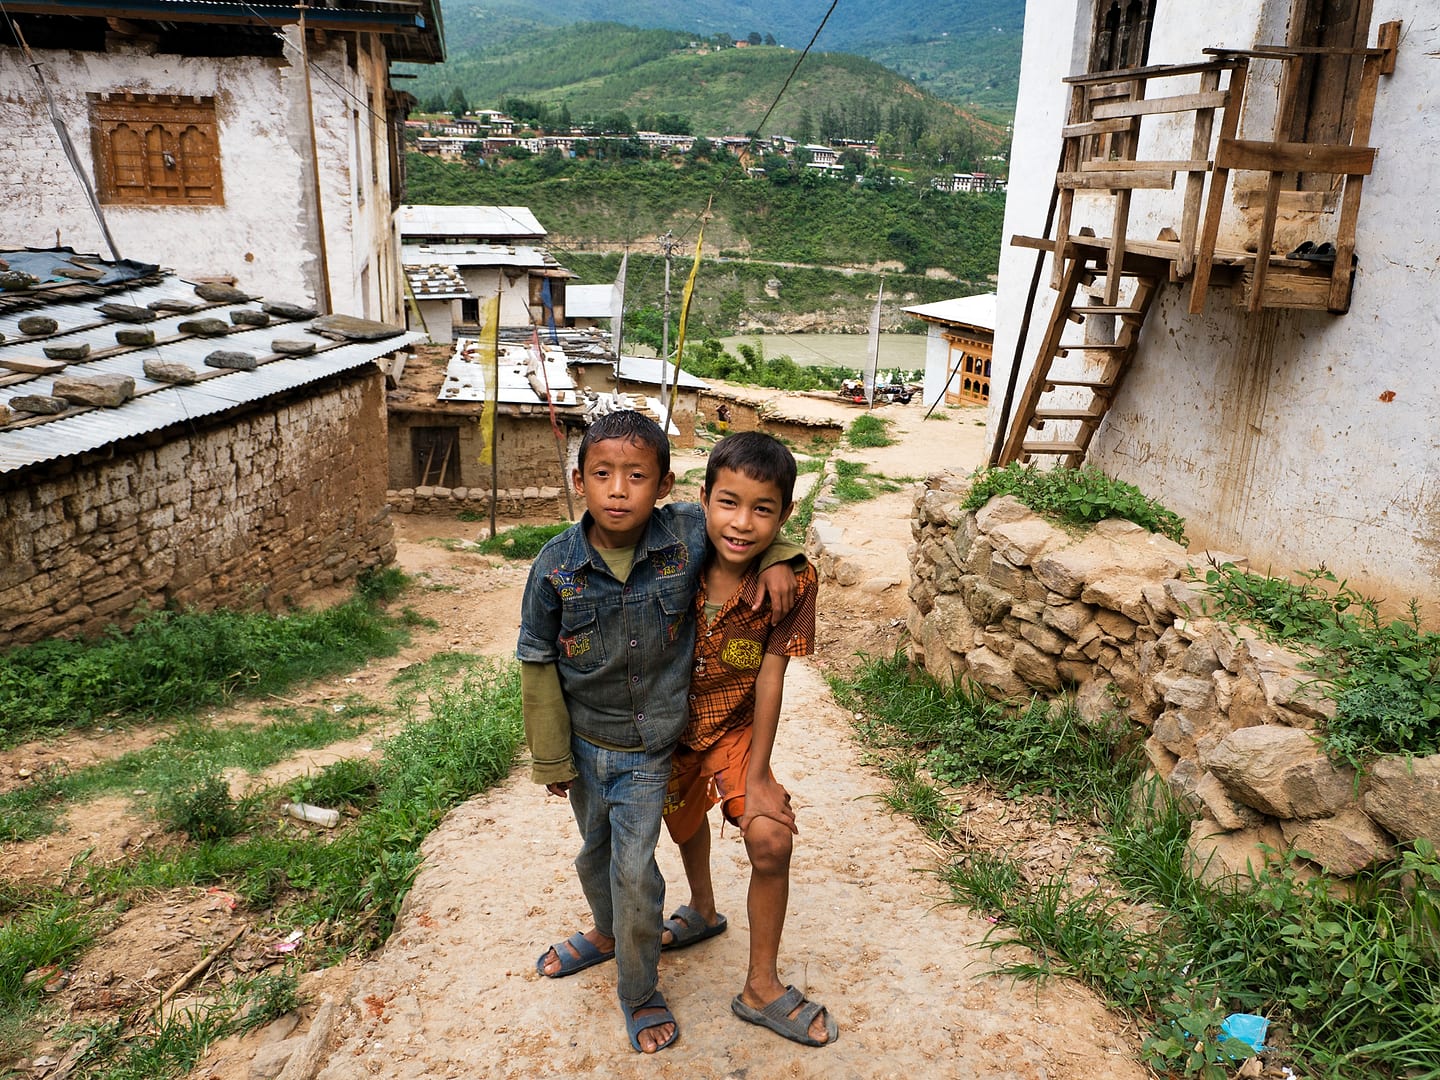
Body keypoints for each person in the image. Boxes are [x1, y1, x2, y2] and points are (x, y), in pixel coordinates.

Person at [517, 411, 803, 1055]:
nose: (619, 490)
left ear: (666, 486)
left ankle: (639, 991)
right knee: (595, 854)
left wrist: (787, 555)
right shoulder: (554, 567)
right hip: (586, 745)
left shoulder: (682, 538)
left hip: (651, 749)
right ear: (578, 482)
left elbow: (748, 525)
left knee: (633, 873)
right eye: (603, 475)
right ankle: (607, 932)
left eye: (636, 476)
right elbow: (536, 660)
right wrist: (552, 757)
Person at [659, 431, 837, 1047]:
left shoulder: (793, 583)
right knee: (683, 825)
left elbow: (770, 675)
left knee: (770, 840)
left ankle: (761, 985)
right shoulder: (672, 553)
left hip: (733, 731)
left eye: (764, 510)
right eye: (728, 503)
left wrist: (758, 774)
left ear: (785, 514)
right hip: (663, 735)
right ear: (703, 499)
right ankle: (703, 910)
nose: (742, 523)